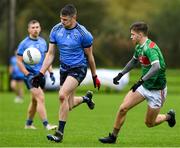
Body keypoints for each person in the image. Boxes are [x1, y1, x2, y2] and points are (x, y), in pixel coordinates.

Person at [32, 4, 101, 142]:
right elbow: (50, 54)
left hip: (79, 68)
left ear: (74, 17)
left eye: (65, 20)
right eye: (61, 19)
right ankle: (85, 99)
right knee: (68, 105)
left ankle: (59, 134)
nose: (62, 22)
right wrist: (40, 73)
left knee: (62, 95)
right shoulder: (56, 30)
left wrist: (94, 75)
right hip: (64, 69)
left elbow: (90, 57)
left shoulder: (84, 34)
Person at [99, 21, 176, 144]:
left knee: (149, 123)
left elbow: (156, 67)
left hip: (156, 90)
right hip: (143, 86)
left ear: (140, 34)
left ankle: (169, 116)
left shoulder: (150, 48)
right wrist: (121, 74)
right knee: (123, 108)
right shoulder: (139, 47)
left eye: (132, 34)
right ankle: (113, 137)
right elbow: (133, 62)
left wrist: (141, 80)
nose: (131, 37)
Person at [16, 19, 57, 130]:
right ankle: (46, 125)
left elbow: (46, 59)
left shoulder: (43, 42)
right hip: (30, 76)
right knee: (40, 97)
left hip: (40, 75)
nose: (35, 29)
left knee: (34, 101)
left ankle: (28, 124)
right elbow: (18, 61)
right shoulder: (24, 43)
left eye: (37, 27)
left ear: (40, 28)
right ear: (29, 29)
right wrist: (27, 73)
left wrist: (51, 72)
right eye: (33, 27)